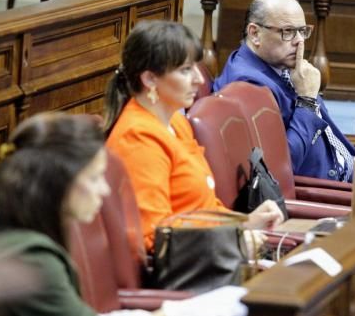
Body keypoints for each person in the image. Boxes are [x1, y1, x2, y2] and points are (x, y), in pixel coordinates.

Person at [0, 113, 171, 316]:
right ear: (57, 183)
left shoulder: (22, 238)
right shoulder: (30, 257)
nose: (105, 188)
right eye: (94, 177)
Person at [103, 20, 284, 253]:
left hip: (210, 256)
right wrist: (231, 242)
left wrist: (245, 224)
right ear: (149, 79)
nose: (199, 80)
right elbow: (153, 237)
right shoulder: (138, 137)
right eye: (185, 70)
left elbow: (201, 207)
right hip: (182, 278)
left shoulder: (176, 122)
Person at [213, 0, 355, 194]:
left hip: (347, 167)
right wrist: (306, 100)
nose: (299, 41)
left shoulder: (275, 66)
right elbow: (279, 168)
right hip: (328, 186)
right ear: (254, 33)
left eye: (302, 31)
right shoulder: (250, 85)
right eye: (288, 32)